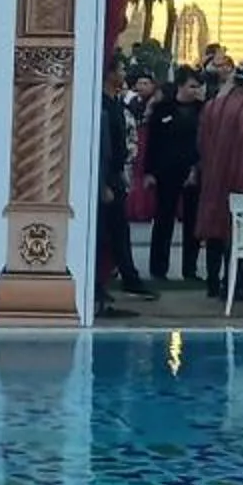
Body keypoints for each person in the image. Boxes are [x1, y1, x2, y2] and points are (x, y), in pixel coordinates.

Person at [194, 60, 243, 298]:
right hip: (240, 177)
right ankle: (230, 282)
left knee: (213, 230)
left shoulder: (211, 107)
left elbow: (201, 142)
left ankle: (212, 283)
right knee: (234, 230)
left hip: (213, 176)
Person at [95, 68, 152, 310]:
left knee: (119, 231)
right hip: (107, 177)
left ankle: (128, 276)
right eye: (118, 70)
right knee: (105, 234)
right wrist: (103, 182)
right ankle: (101, 284)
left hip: (116, 175)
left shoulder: (116, 103)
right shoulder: (103, 105)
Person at [144, 71, 204, 282]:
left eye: (198, 87)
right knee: (164, 220)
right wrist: (149, 172)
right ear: (180, 86)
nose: (195, 91)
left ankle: (190, 269)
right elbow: (153, 143)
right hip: (166, 172)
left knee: (192, 222)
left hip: (193, 173)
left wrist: (197, 168)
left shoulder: (202, 111)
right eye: (191, 86)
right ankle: (158, 269)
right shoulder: (163, 110)